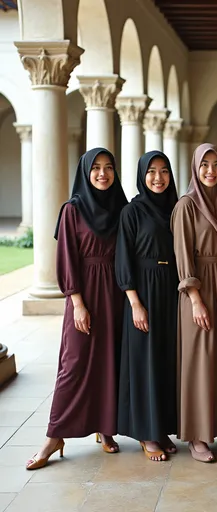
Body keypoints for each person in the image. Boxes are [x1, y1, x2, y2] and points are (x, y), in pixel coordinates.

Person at [26, 148, 127, 470]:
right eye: (95, 168)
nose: (102, 174)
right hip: (84, 296)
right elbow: (67, 257)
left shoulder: (121, 208)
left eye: (108, 167)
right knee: (74, 363)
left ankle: (105, 428)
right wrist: (77, 302)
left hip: (115, 294)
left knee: (109, 362)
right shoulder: (72, 210)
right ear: (85, 172)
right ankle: (54, 435)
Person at [171, 143, 217, 463]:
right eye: (204, 165)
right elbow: (183, 256)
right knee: (199, 360)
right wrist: (196, 299)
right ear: (195, 170)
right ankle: (197, 435)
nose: (210, 171)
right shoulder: (187, 206)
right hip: (197, 289)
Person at [116, 150, 179, 462]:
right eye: (152, 171)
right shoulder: (133, 211)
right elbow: (123, 258)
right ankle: (145, 432)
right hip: (143, 290)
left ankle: (162, 427)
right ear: (142, 175)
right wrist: (135, 303)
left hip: (171, 289)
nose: (158, 178)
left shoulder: (176, 208)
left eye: (164, 171)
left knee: (166, 361)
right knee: (145, 362)